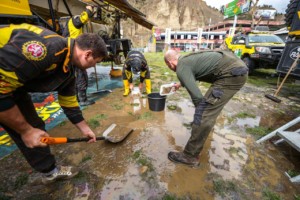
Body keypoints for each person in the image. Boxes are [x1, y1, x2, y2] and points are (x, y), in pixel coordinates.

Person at [0, 23, 107, 184]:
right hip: (3, 82)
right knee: (29, 128)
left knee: (35, 126)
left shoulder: (69, 67)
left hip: (13, 86)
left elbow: (69, 101)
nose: (95, 66)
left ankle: (50, 172)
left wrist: (85, 129)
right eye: (96, 62)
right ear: (88, 54)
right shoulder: (45, 48)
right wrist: (25, 130)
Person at [164, 49, 248, 167]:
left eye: (169, 66)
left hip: (230, 74)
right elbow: (194, 73)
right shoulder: (187, 60)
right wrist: (180, 84)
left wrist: (201, 117)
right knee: (208, 111)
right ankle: (205, 128)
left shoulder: (181, 68)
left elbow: (197, 96)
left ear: (170, 63)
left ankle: (190, 155)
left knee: (203, 113)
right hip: (236, 69)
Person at [62, 5, 95, 106]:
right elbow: (84, 18)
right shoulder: (75, 21)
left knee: (74, 77)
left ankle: (76, 98)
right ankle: (83, 100)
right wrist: (89, 9)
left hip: (70, 53)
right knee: (82, 77)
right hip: (75, 53)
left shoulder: (70, 25)